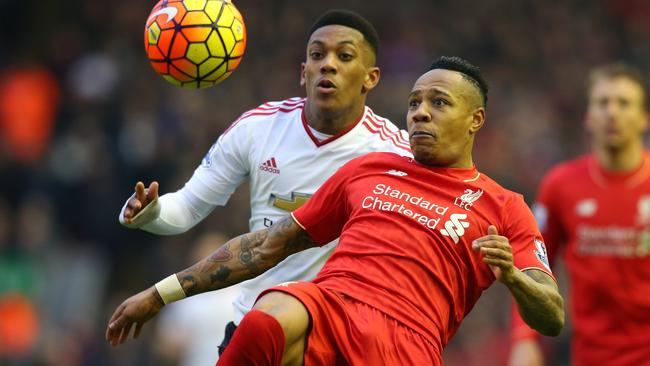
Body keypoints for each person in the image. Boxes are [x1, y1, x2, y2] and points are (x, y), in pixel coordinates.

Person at [107, 56, 564, 365]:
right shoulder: (370, 168)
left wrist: (515, 278)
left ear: (476, 120)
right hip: (331, 306)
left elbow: (552, 315)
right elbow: (268, 245)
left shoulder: (505, 206)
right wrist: (159, 294)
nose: (420, 113)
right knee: (270, 313)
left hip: (409, 342)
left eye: (439, 103)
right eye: (414, 103)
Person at [117, 9, 411, 355]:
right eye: (317, 55)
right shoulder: (257, 128)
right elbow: (186, 207)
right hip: (253, 325)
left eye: (344, 56)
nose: (327, 65)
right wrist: (150, 212)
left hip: (333, 341)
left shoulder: (394, 153)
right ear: (304, 73)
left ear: (371, 77)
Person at [509, 63, 650, 366]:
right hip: (590, 355)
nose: (612, 112)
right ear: (589, 116)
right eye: (603, 103)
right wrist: (525, 339)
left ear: (644, 118)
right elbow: (531, 261)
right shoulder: (561, 185)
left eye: (624, 103)